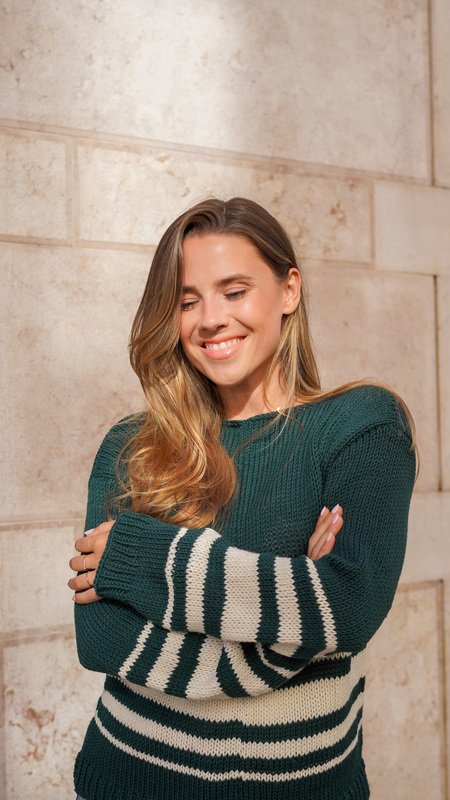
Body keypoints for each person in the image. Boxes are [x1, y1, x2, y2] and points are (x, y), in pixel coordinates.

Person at [68, 197, 417, 800]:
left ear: (289, 290)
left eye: (234, 291)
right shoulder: (133, 446)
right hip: (126, 779)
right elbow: (100, 640)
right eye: (186, 301)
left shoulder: (362, 426)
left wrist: (145, 556)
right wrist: (290, 620)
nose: (210, 319)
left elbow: (349, 607)